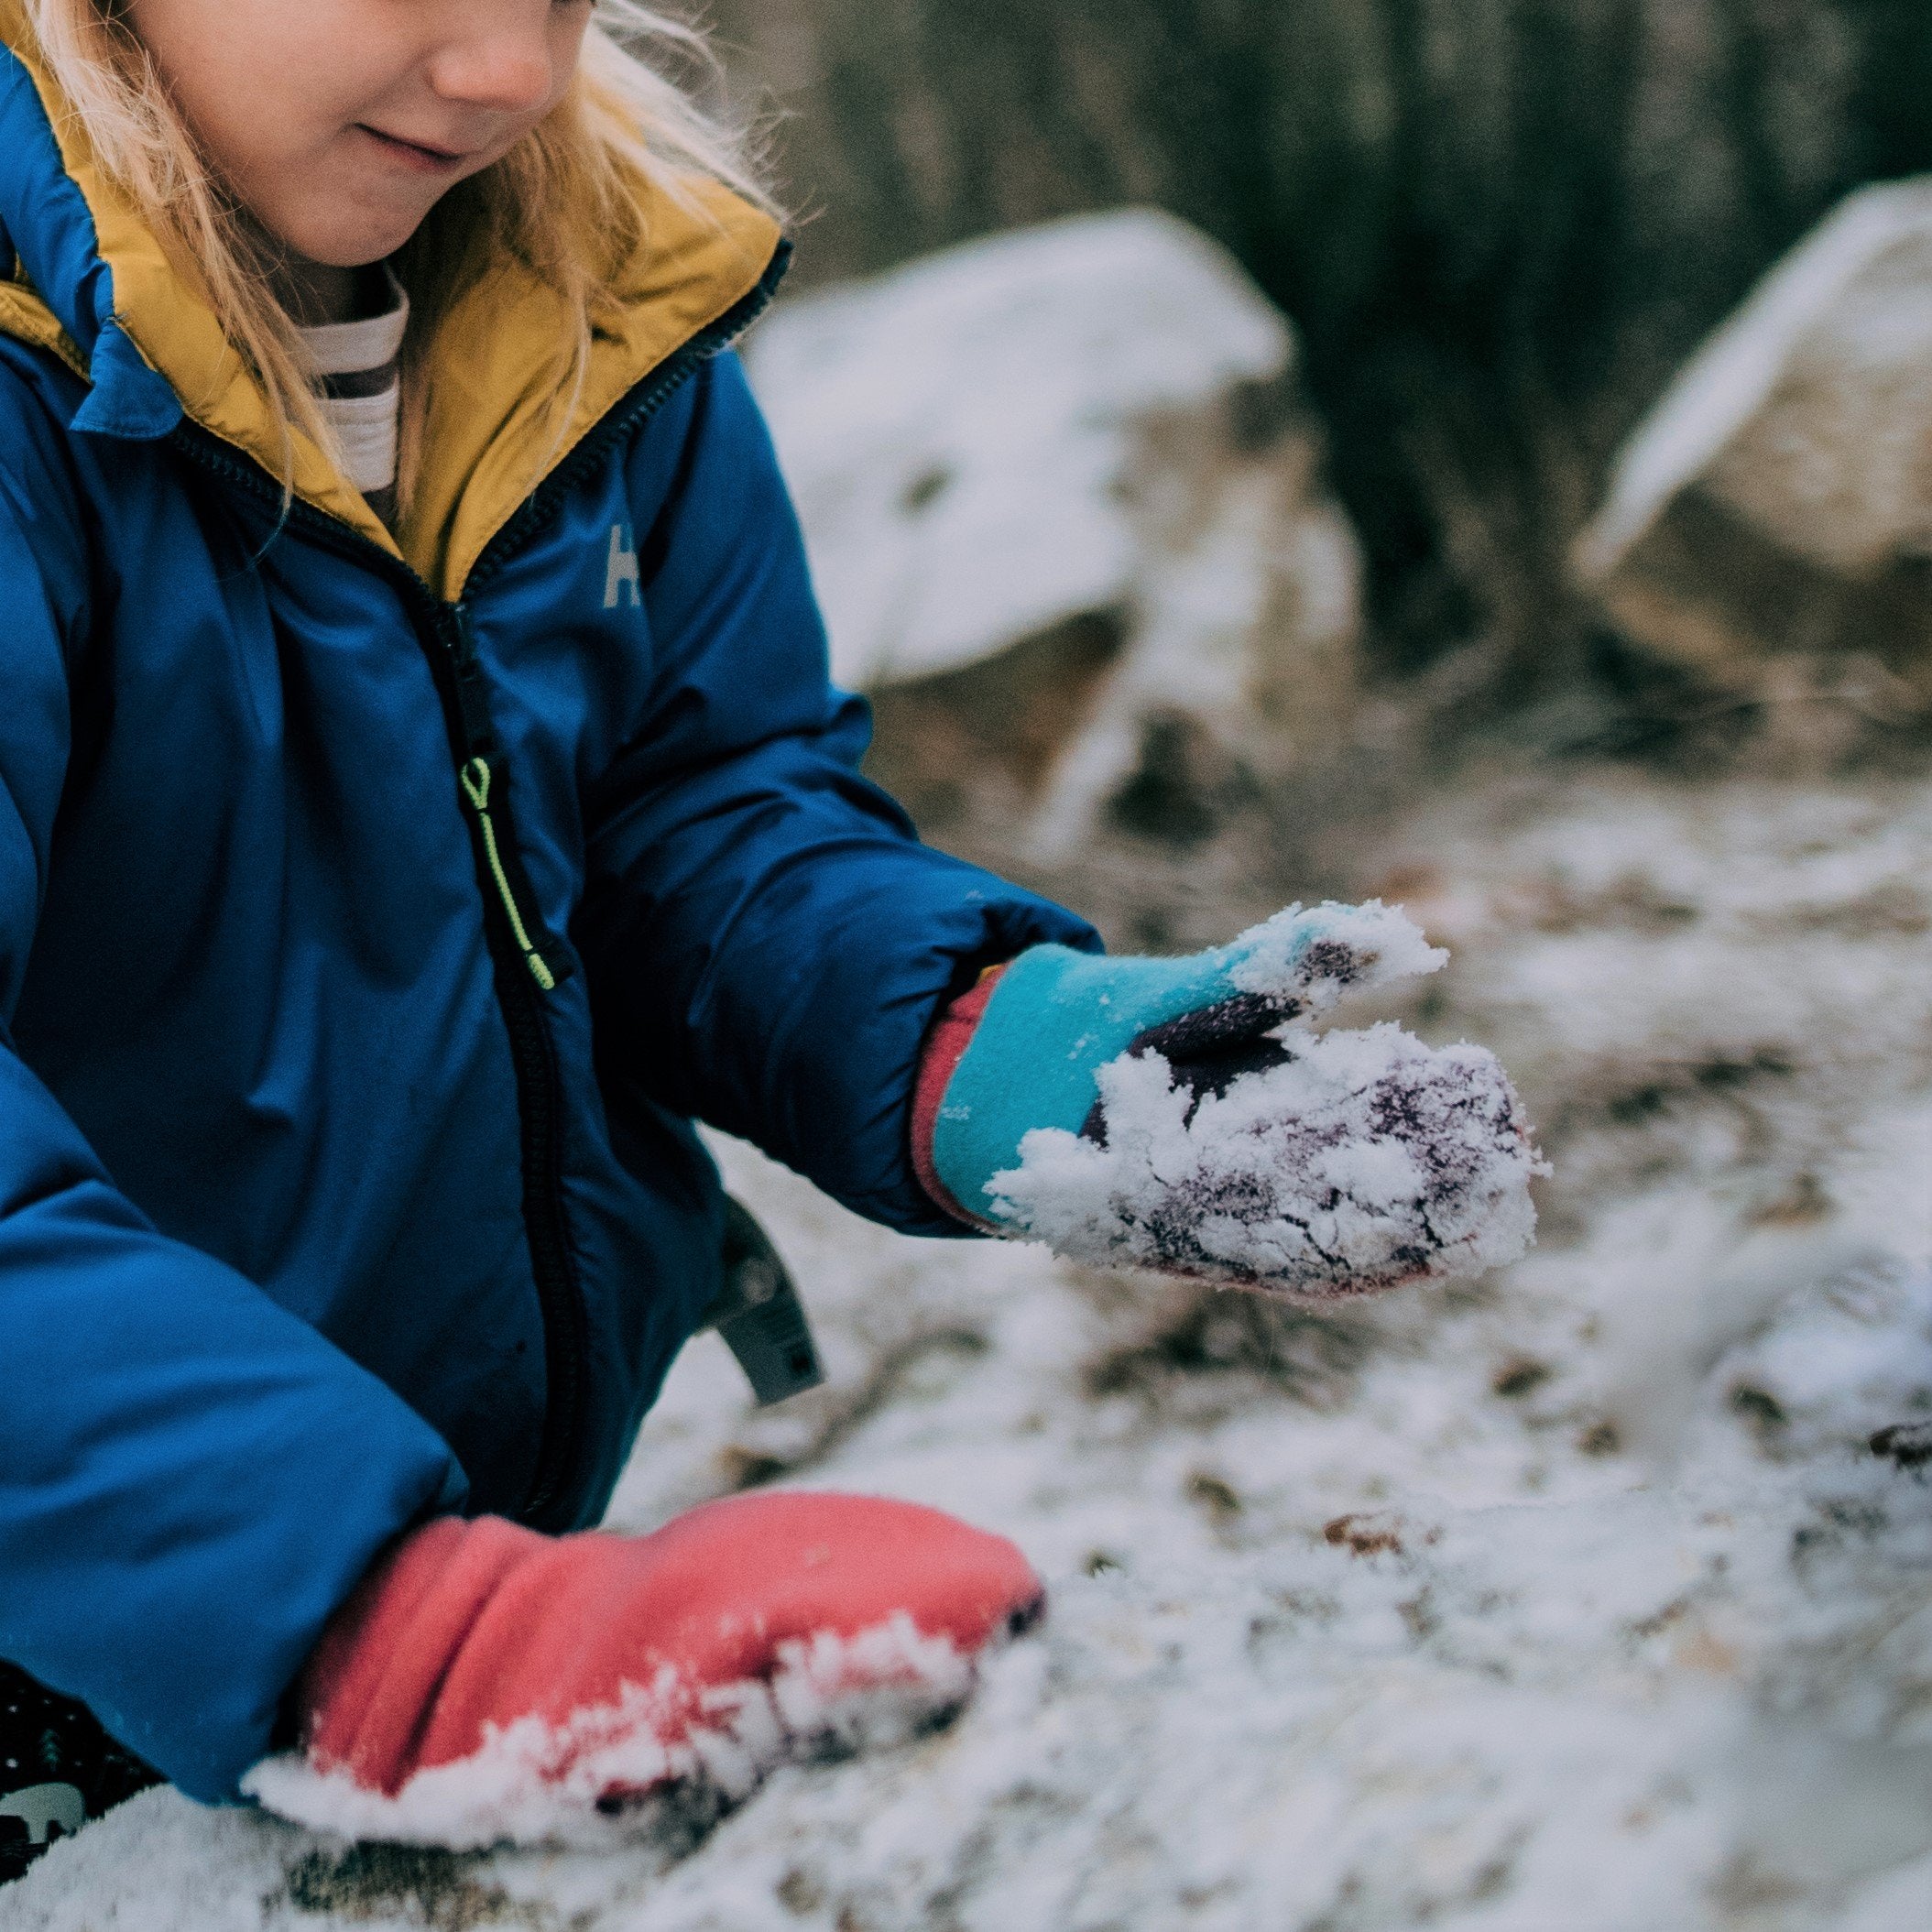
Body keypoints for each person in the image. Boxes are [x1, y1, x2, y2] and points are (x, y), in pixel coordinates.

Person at [0, 0, 1537, 1880]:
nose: (507, 71)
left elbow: (682, 809)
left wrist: (997, 1047)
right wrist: (407, 1641)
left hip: (389, 1554)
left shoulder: (584, 279)